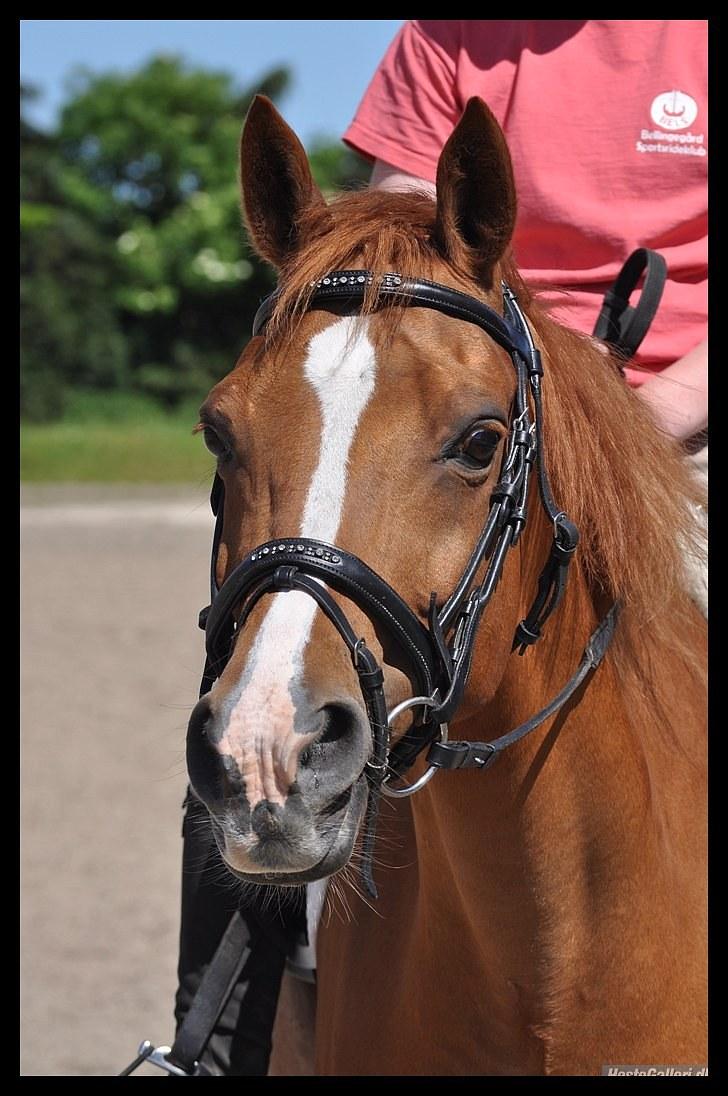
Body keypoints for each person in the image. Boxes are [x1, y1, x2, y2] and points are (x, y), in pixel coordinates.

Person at [343, 19, 707, 611]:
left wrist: (635, 420)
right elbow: (406, 257)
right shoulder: (444, 34)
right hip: (491, 401)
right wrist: (541, 370)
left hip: (683, 422)